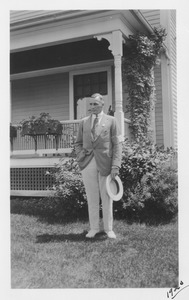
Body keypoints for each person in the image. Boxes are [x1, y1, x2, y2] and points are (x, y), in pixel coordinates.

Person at [75, 93, 122, 239]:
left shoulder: (112, 121)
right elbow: (78, 143)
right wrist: (80, 155)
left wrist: (115, 165)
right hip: (88, 163)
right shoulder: (83, 122)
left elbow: (117, 145)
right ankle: (94, 228)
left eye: (95, 104)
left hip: (105, 163)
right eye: (90, 104)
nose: (92, 107)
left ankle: (108, 229)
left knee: (106, 196)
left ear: (102, 104)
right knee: (92, 197)